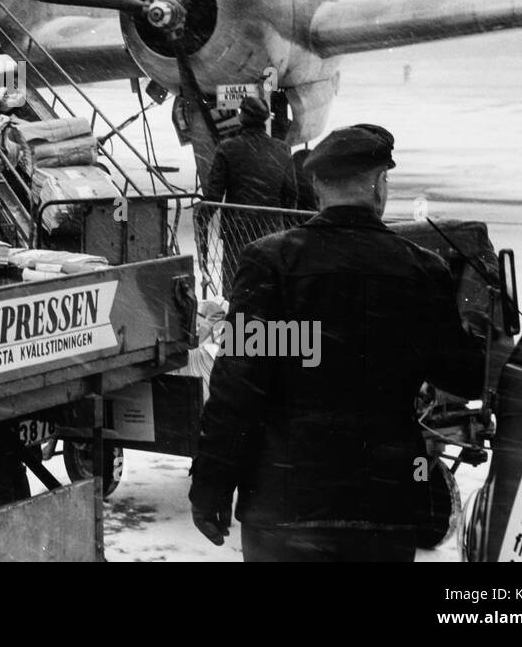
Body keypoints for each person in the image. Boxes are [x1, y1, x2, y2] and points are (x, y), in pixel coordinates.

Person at [187, 124, 486, 562]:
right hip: (380, 508)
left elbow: (237, 388)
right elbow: (464, 375)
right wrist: (479, 321)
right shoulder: (424, 272)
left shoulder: (269, 262)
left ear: (316, 187)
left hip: (284, 505)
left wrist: (211, 484)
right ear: (380, 187)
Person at [198, 96, 298, 297]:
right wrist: (288, 227)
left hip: (238, 232)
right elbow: (291, 193)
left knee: (237, 287)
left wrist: (201, 221)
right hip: (272, 231)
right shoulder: (282, 149)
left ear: (241, 117)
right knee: (270, 288)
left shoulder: (228, 148)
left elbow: (214, 195)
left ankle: (237, 325)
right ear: (265, 119)